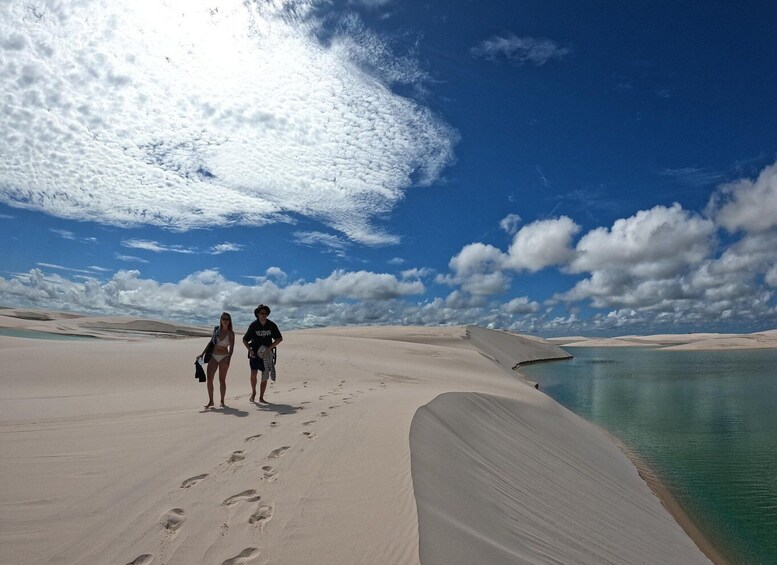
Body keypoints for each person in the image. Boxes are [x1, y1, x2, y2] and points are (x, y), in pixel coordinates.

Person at [242, 304, 283, 403]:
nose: (263, 315)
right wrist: (250, 350)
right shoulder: (254, 325)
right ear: (257, 314)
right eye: (261, 313)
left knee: (265, 375)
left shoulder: (271, 325)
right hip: (255, 354)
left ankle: (261, 397)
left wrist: (269, 349)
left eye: (265, 313)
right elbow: (244, 340)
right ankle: (253, 393)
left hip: (267, 355)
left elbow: (279, 338)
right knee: (253, 373)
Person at [199, 312, 235, 408]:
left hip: (224, 357)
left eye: (227, 319)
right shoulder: (216, 330)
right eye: (223, 318)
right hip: (213, 356)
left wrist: (229, 360)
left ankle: (222, 401)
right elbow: (211, 342)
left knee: (222, 380)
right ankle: (211, 401)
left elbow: (231, 348)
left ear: (229, 321)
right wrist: (202, 354)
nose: (225, 321)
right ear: (221, 319)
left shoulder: (231, 333)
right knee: (209, 379)